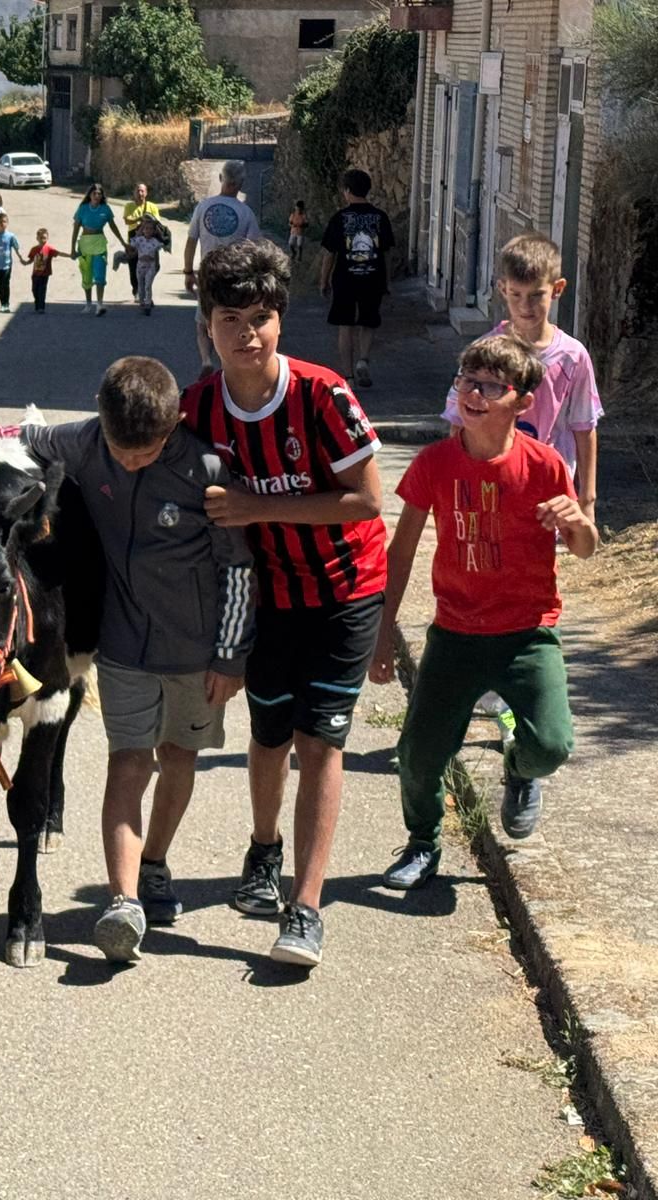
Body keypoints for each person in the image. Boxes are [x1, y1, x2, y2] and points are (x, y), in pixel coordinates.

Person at [180, 240, 388, 970]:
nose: (247, 334)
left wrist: (253, 506)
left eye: (262, 318)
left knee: (320, 741)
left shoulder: (322, 395)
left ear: (280, 320)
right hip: (264, 600)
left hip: (343, 590)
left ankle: (305, 907)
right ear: (206, 324)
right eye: (230, 318)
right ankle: (262, 849)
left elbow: (366, 501)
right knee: (268, 736)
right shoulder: (198, 406)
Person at [19, 357, 255, 962]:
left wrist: (230, 656)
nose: (128, 462)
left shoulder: (208, 471)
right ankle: (122, 904)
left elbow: (238, 569)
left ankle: (154, 865)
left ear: (173, 425)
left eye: (144, 454)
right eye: (120, 451)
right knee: (128, 762)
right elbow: (24, 437)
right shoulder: (85, 440)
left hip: (196, 652)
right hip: (123, 644)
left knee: (178, 759)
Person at [372, 334, 596, 890]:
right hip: (456, 633)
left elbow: (586, 548)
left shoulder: (544, 466)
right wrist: (380, 634)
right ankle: (423, 843)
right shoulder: (435, 463)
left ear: (523, 403)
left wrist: (578, 519)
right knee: (419, 753)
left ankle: (519, 773)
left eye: (491, 385)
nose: (473, 392)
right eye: (466, 381)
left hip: (528, 634)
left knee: (551, 745)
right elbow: (399, 553)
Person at [440, 234, 602, 527]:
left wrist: (587, 501)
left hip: (548, 492)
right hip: (491, 485)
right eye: (516, 294)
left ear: (557, 289)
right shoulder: (482, 353)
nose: (525, 306)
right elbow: (459, 421)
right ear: (503, 288)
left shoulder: (572, 357)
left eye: (536, 295)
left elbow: (584, 426)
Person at [183, 160, 262, 378]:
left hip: (208, 272)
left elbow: (191, 241)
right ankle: (228, 362)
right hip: (234, 274)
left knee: (203, 321)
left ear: (221, 179)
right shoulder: (246, 212)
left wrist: (188, 272)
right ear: (241, 183)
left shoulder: (203, 207)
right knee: (230, 319)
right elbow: (255, 246)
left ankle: (206, 360)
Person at [319, 168, 395, 390]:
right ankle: (363, 359)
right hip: (374, 277)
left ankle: (349, 375)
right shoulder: (380, 217)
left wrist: (323, 281)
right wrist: (387, 281)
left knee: (346, 325)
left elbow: (329, 253)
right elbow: (387, 252)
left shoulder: (339, 218)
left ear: (347, 191)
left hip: (345, 278)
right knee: (368, 321)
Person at [70, 182, 127, 315]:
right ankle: (88, 304)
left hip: (99, 243)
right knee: (87, 275)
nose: (96, 196)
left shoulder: (105, 209)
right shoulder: (83, 208)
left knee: (100, 275)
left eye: (99, 194)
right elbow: (76, 228)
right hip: (85, 244)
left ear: (102, 196)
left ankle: (99, 304)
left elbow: (113, 227)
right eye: (94, 193)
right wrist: (72, 248)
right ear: (89, 195)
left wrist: (124, 243)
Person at [122, 181, 162, 293]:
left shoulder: (152, 206)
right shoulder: (129, 206)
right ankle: (136, 288)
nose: (140, 193)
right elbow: (127, 220)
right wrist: (140, 219)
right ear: (134, 193)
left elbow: (157, 221)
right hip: (134, 236)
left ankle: (146, 287)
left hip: (149, 237)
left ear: (146, 193)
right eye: (138, 191)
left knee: (153, 264)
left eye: (142, 191)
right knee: (133, 264)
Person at [21, 226, 69, 314]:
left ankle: (41, 307)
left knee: (42, 290)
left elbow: (59, 253)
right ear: (37, 238)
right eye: (41, 238)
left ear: (47, 238)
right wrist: (26, 263)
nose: (43, 240)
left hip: (44, 274)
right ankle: (37, 304)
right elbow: (31, 259)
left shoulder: (49, 249)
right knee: (34, 290)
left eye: (45, 238)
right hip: (35, 274)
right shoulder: (34, 249)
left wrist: (69, 255)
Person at [130, 215, 168, 316]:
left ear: (153, 231)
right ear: (143, 230)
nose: (148, 230)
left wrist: (156, 265)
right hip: (140, 265)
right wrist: (142, 226)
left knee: (148, 285)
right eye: (146, 228)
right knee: (141, 286)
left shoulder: (155, 242)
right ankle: (142, 302)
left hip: (150, 265)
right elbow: (133, 241)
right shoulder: (139, 240)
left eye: (150, 229)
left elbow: (160, 247)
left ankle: (147, 304)